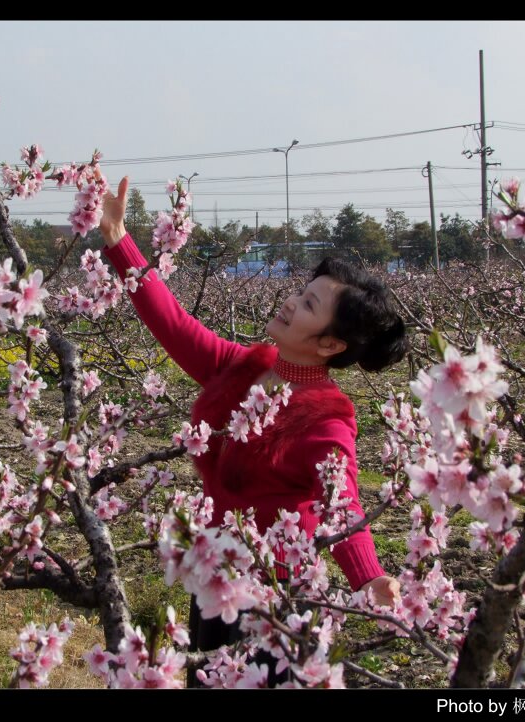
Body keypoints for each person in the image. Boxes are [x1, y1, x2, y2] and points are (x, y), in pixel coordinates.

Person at [99, 177, 408, 686]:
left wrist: (369, 576)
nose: (290, 303)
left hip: (274, 597)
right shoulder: (247, 366)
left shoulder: (326, 418)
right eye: (300, 294)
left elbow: (344, 503)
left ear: (330, 345)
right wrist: (118, 239)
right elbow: (175, 325)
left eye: (307, 306)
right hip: (214, 581)